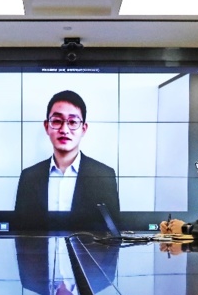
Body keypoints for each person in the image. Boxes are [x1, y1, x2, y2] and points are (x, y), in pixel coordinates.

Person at [14, 90, 120, 230]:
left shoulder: (104, 175)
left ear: (83, 129)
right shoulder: (29, 176)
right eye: (57, 121)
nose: (64, 129)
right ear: (46, 126)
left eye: (73, 122)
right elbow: (20, 233)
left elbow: (113, 235)